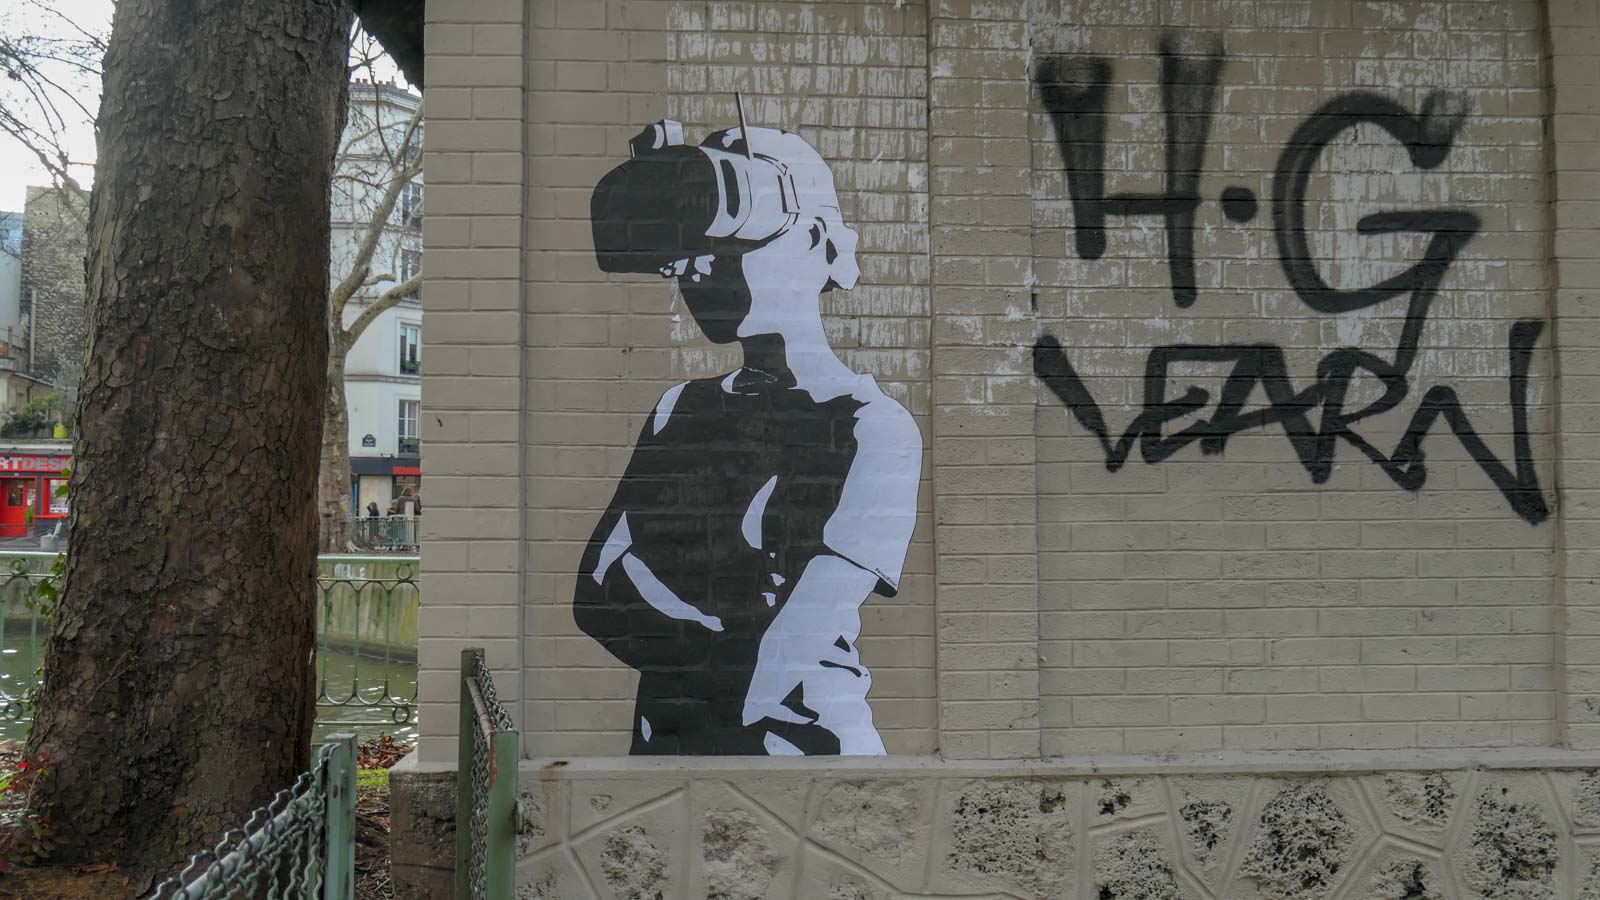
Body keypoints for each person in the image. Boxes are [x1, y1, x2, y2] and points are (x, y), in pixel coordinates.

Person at [575, 118, 922, 756]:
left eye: (734, 241)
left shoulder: (872, 428)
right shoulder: (680, 409)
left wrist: (660, 622)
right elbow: (593, 592)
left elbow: (771, 668)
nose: (699, 268)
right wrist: (728, 636)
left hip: (809, 769)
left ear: (816, 242)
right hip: (666, 766)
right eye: (690, 247)